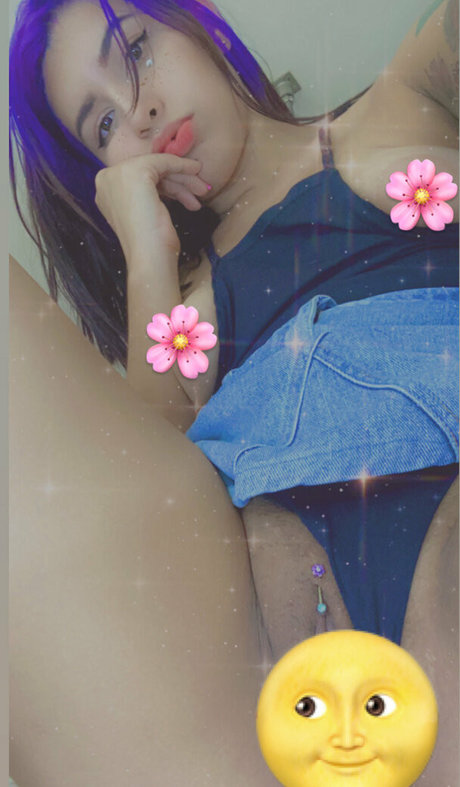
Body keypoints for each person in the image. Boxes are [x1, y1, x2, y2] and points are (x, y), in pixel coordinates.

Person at [9, 0, 459, 784]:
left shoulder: (400, 103)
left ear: (197, 22)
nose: (138, 112)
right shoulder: (185, 311)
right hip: (274, 665)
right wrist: (146, 248)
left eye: (135, 51)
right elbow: (152, 493)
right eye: (104, 126)